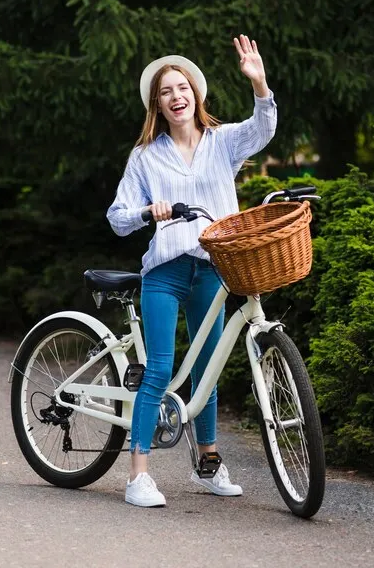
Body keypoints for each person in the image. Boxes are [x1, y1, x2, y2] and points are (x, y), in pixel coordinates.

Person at [106, 35, 277, 508]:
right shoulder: (145, 157)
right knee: (159, 368)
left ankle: (209, 461)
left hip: (213, 268)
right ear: (156, 105)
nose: (176, 96)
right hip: (164, 270)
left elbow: (263, 130)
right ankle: (138, 475)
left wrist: (259, 83)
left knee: (208, 370)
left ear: (195, 95)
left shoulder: (222, 143)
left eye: (182, 87)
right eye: (166, 91)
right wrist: (147, 212)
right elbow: (117, 218)